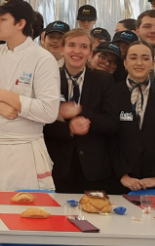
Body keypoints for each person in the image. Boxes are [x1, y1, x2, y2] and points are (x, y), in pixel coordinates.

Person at [0, 0, 61, 190]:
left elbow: (49, 111)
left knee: (23, 212)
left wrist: (4, 96)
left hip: (22, 150)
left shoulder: (43, 59)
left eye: (2, 18)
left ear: (20, 24)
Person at [44, 29, 116, 193]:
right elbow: (40, 123)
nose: (77, 51)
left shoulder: (104, 80)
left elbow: (112, 123)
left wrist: (80, 111)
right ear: (62, 49)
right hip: (57, 166)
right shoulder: (50, 78)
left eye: (83, 46)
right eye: (71, 45)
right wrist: (69, 128)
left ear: (90, 53)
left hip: (94, 169)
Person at [108, 40, 155, 192]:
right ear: (125, 63)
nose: (139, 63)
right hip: (118, 181)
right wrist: (123, 174)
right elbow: (107, 139)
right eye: (133, 57)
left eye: (145, 58)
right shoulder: (110, 94)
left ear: (153, 63)